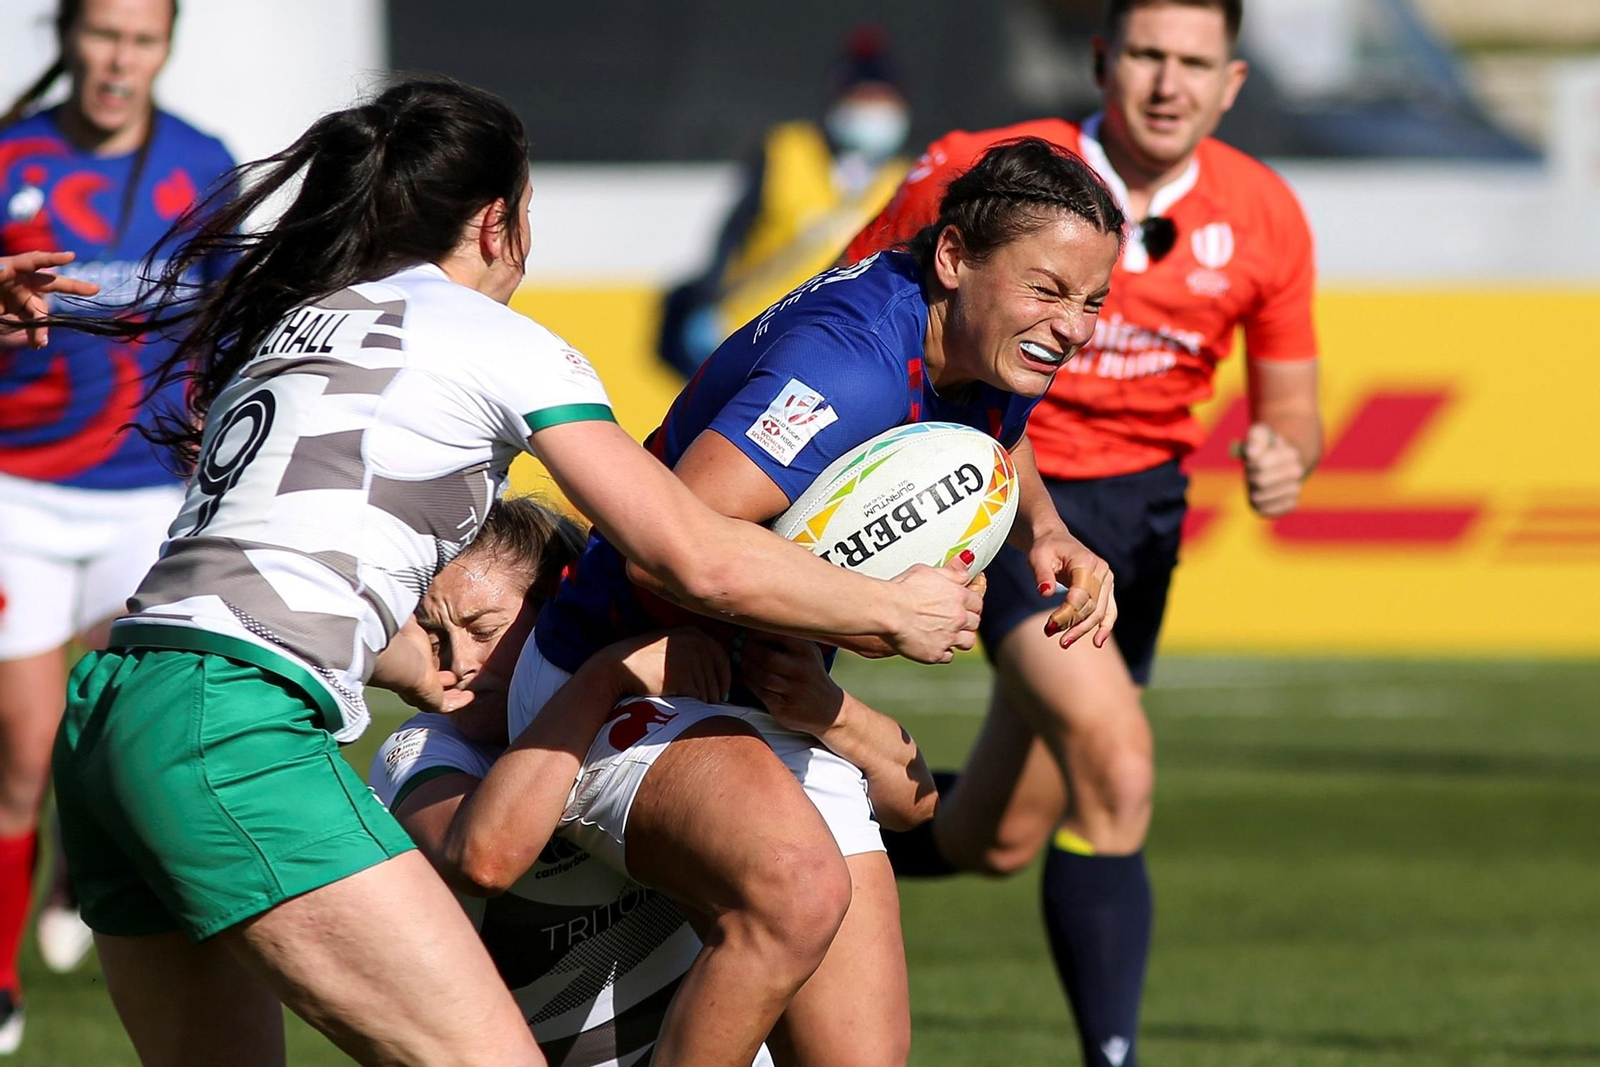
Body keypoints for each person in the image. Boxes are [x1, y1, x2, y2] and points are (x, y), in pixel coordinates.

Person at [30, 78, 982, 1067]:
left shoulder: (296, 323)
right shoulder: (498, 340)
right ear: (498, 221)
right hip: (226, 724)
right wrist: (887, 609)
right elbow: (689, 548)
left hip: (111, 711)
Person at [497, 137, 1125, 1067]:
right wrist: (881, 612)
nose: (1071, 327)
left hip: (768, 692)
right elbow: (664, 557)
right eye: (1048, 290)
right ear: (953, 257)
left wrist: (1048, 532)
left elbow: (990, 438)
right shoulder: (849, 368)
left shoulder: (978, 340)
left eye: (1093, 302)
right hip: (624, 681)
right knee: (797, 891)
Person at [845, 3, 1324, 1064]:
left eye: (1192, 63)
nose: (1167, 83)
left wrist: (1286, 452)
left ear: (1231, 81)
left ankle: (734, 850)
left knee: (994, 836)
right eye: (1146, 54)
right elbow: (851, 294)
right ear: (1104, 57)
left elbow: (1294, 403)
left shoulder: (1265, 213)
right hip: (1008, 491)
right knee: (1116, 758)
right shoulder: (993, 172)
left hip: (1145, 519)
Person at [369, 495, 941, 1066]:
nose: (455, 663)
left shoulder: (668, 704)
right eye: (433, 634)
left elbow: (910, 802)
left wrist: (829, 712)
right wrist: (602, 677)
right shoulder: (420, 752)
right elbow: (482, 857)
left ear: (556, 618)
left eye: (483, 629)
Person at [0, 0, 234, 1048]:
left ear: (167, 48)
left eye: (141, 39)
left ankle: (72, 881)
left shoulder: (205, 163)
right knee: (24, 745)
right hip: (18, 489)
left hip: (147, 492)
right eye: (102, 35)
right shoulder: (10, 154)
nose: (118, 59)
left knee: (126, 737)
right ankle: (0, 976)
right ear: (69, 39)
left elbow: (240, 314)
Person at [658, 25, 913, 378]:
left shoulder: (904, 177)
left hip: (835, 344)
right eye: (862, 100)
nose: (872, 113)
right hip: (749, 331)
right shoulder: (785, 150)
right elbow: (734, 233)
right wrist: (707, 303)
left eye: (882, 102)